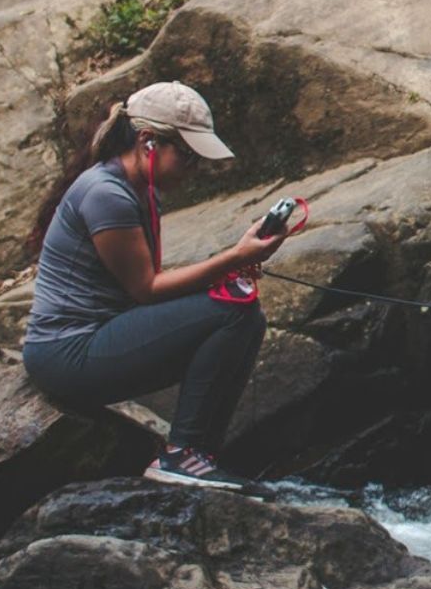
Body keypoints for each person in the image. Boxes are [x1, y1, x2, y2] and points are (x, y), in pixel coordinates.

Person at [22, 81, 286, 491]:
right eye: (188, 154)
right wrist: (235, 258)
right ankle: (181, 455)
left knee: (244, 312)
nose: (194, 167)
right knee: (233, 313)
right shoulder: (105, 194)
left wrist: (230, 274)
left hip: (99, 334)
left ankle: (197, 458)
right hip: (66, 352)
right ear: (147, 141)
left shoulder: (140, 190)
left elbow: (143, 290)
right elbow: (146, 289)